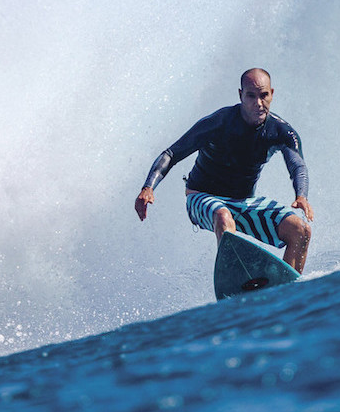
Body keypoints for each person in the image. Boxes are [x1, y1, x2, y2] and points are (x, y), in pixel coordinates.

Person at [134, 67, 315, 272]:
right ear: (240, 95)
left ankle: (288, 287)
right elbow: (171, 153)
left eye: (264, 95)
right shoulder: (219, 122)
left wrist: (301, 195)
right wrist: (148, 187)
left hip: (244, 202)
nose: (258, 103)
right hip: (201, 197)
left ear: (272, 94)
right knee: (223, 215)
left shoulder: (281, 131)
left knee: (301, 230)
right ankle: (236, 279)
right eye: (251, 96)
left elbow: (297, 165)